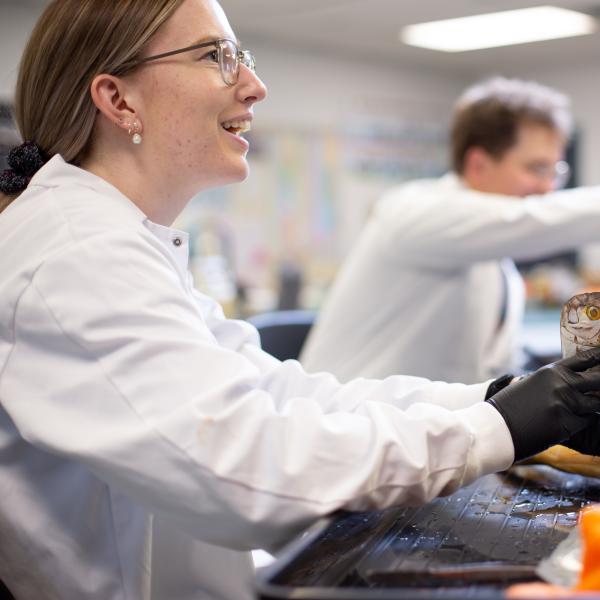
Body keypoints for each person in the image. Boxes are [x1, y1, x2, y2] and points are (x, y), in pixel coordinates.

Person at [2, 4, 600, 599]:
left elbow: (279, 392)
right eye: (217, 57)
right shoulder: (76, 251)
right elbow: (244, 473)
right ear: (118, 98)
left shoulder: (121, 241)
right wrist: (498, 427)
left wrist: (502, 400)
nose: (255, 86)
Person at [301, 77, 600, 384]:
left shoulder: (491, 254)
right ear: (478, 164)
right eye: (537, 168)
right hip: (346, 421)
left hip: (429, 422)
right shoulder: (412, 212)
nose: (548, 187)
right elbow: (532, 220)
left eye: (556, 171)